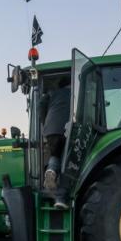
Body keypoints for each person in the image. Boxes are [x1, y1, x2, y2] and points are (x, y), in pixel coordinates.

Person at [40, 78, 71, 209]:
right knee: (67, 163)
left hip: (49, 130)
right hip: (65, 129)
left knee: (55, 154)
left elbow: (41, 105)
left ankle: (51, 170)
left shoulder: (53, 94)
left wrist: (45, 122)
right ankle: (60, 198)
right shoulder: (73, 93)